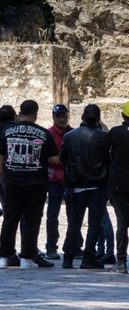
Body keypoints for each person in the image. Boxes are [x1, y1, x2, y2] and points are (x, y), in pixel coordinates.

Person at [0, 100, 59, 270]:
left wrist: (3, 178)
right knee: (32, 220)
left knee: (10, 218)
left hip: (13, 182)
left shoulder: (7, 131)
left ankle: (4, 255)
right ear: (36, 114)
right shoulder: (43, 133)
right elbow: (53, 159)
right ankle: (27, 257)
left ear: (20, 112)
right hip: (36, 182)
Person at [60, 104, 110, 270]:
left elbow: (63, 158)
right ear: (98, 119)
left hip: (76, 184)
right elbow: (108, 160)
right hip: (97, 184)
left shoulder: (69, 136)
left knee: (74, 223)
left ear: (82, 117)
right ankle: (88, 257)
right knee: (94, 223)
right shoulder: (103, 137)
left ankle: (68, 257)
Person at [45, 104, 73, 260]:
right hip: (54, 180)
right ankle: (51, 247)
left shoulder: (73, 133)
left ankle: (74, 246)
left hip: (70, 180)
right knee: (52, 215)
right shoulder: (49, 134)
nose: (62, 119)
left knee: (74, 215)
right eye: (58, 116)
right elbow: (51, 159)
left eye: (64, 115)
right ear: (54, 117)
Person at [107, 101, 129, 274]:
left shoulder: (115, 133)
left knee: (122, 223)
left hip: (120, 184)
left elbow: (106, 154)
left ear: (123, 115)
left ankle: (121, 261)